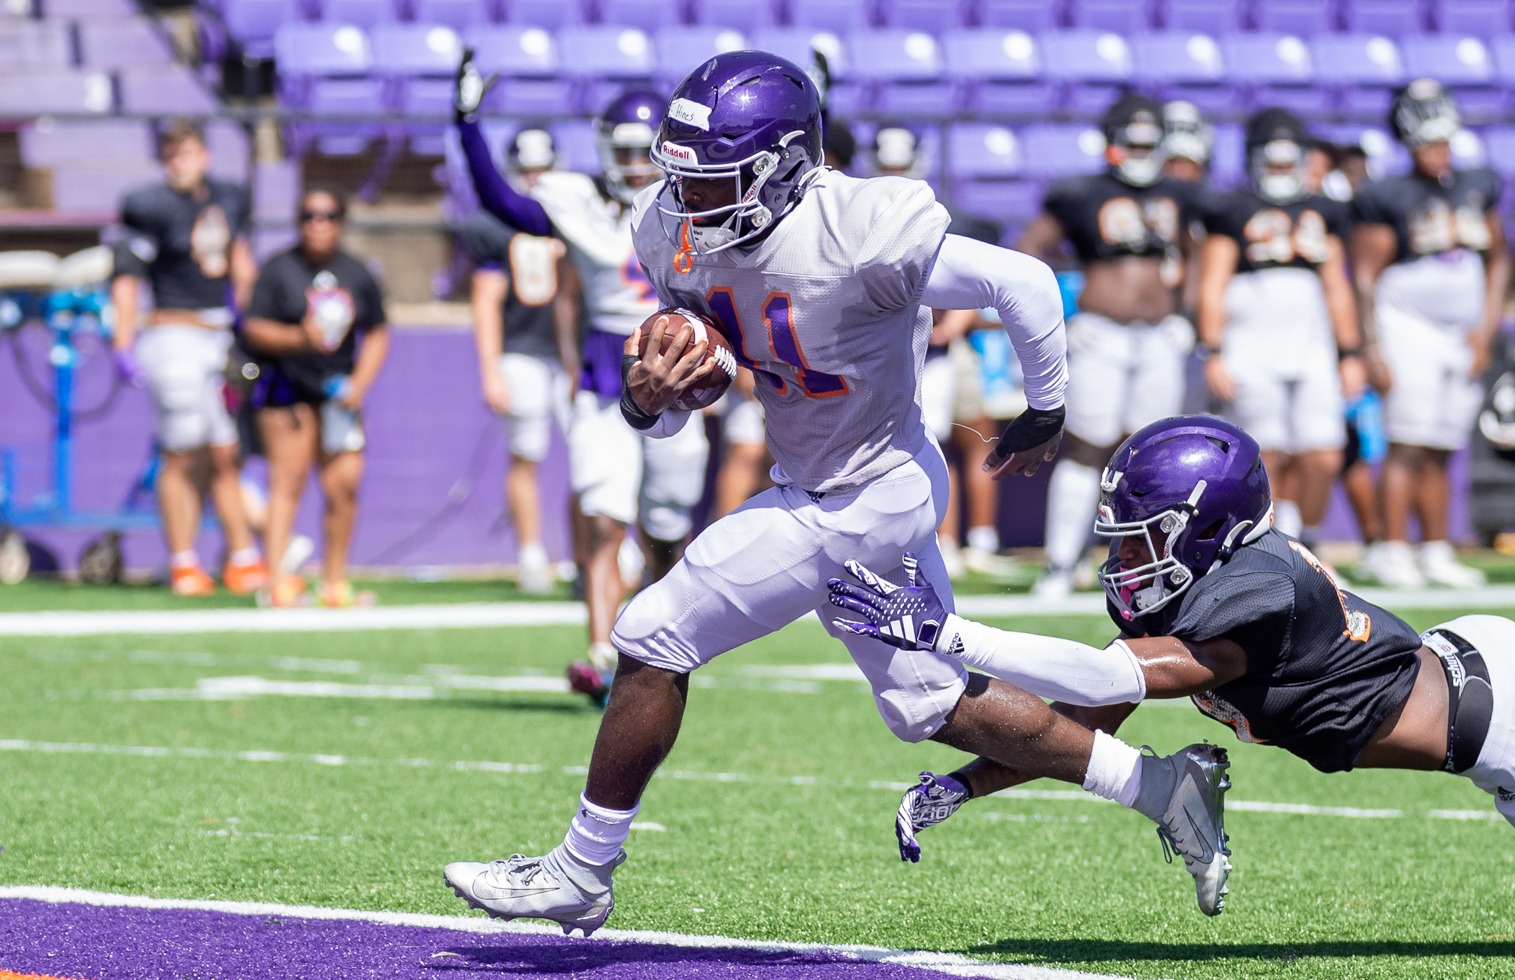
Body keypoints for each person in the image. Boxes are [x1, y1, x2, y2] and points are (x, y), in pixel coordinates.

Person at [442, 49, 1236, 932]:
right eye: (683, 180)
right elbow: (672, 408)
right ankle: (1163, 786)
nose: (688, 202)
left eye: (714, 182)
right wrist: (648, 396)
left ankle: (581, 870)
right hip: (828, 483)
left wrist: (1047, 408)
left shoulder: (859, 224)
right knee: (930, 705)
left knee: (651, 634)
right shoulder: (667, 226)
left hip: (866, 490)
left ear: (783, 168)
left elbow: (1024, 280)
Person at [831, 415, 1515, 910]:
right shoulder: (1197, 585)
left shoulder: (1254, 591)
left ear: (1206, 529)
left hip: (1512, 735)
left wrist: (948, 634)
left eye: (1142, 543)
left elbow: (1109, 681)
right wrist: (970, 784)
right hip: (1480, 667)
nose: (1122, 564)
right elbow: (1091, 727)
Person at [456, 88, 711, 697]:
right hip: (607, 374)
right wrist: (466, 124)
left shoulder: (700, 203)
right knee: (602, 517)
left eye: (639, 153)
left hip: (678, 373)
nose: (630, 165)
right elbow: (502, 203)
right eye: (620, 152)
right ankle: (600, 651)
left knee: (667, 527)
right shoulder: (578, 202)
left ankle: (666, 647)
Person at [1020, 93, 1201, 599]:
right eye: (1134, 141)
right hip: (1101, 332)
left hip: (1160, 336)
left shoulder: (1178, 193)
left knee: (1152, 452)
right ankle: (1060, 562)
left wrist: (1185, 315)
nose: (1143, 152)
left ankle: (1150, 566)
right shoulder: (1083, 192)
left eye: (1150, 142)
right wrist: (1065, 311)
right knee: (1087, 445)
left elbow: (1196, 252)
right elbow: (1031, 249)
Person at [1351, 80, 1507, 589]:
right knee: (1407, 443)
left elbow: (1500, 258)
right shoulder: (1387, 195)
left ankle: (1436, 549)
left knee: (1442, 445)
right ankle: (1393, 548)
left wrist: (1486, 328)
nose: (1436, 154)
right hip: (1406, 328)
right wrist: (1371, 346)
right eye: (1426, 145)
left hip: (1460, 334)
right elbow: (1366, 276)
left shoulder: (1476, 183)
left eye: (1442, 144)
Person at [110, 121, 264, 597]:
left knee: (224, 450)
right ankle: (183, 561)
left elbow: (241, 264)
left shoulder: (229, 197)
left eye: (188, 153)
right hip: (172, 331)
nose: (181, 163)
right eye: (172, 155)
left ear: (206, 155)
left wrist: (251, 325)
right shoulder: (148, 206)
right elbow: (127, 277)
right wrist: (122, 339)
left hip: (219, 334)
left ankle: (241, 557)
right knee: (181, 451)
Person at [1199, 108, 1365, 547]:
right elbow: (1213, 283)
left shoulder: (1322, 210)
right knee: (1265, 454)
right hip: (1251, 346)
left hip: (1311, 346)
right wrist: (1211, 350)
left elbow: (1337, 287)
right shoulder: (1233, 208)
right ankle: (1268, 543)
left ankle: (1301, 539)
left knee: (1324, 455)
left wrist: (1350, 353)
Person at [871, 124, 1016, 579]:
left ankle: (979, 540)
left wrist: (956, 319)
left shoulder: (944, 219)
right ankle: (942, 539)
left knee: (975, 438)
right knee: (927, 445)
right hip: (902, 354)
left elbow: (982, 280)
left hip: (948, 352)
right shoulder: (864, 221)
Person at [240, 188, 390, 608]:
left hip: (339, 393)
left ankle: (334, 581)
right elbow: (253, 327)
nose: (317, 224)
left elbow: (377, 331)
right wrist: (296, 338)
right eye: (308, 216)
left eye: (326, 215)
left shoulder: (357, 272)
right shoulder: (279, 269)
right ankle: (276, 581)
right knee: (287, 482)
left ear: (340, 221)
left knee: (343, 485)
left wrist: (361, 382)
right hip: (287, 388)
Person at [458, 128, 582, 595]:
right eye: (527, 170)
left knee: (590, 453)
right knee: (526, 454)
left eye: (542, 169)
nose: (535, 179)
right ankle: (531, 552)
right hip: (522, 352)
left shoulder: (576, 217)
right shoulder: (499, 226)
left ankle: (586, 552)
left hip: (574, 356)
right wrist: (490, 368)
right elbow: (485, 299)